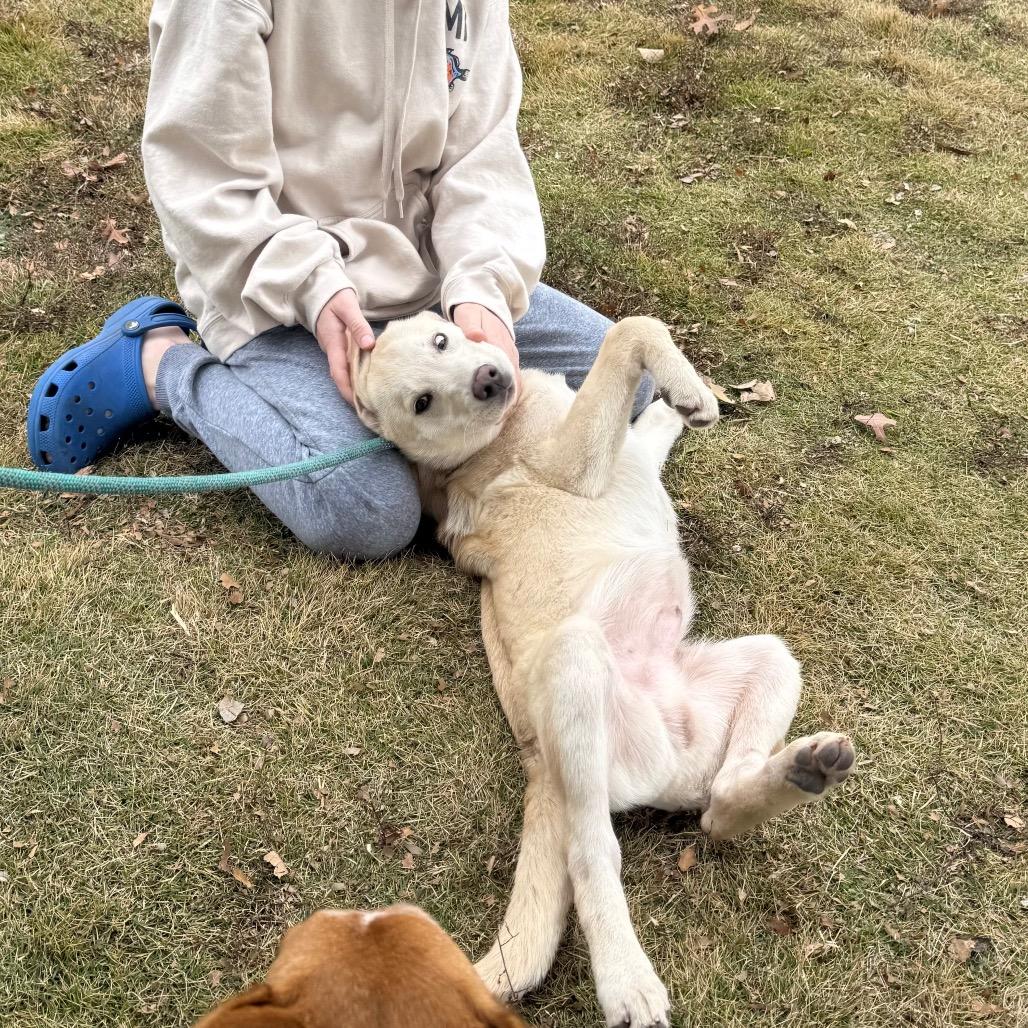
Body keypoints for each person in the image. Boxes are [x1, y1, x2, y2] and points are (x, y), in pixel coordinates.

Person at [28, 1, 640, 559]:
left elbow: (481, 154)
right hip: (268, 289)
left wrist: (480, 289)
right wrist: (314, 288)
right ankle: (163, 365)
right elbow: (202, 179)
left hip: (424, 287)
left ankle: (430, 424)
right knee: (367, 511)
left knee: (626, 384)